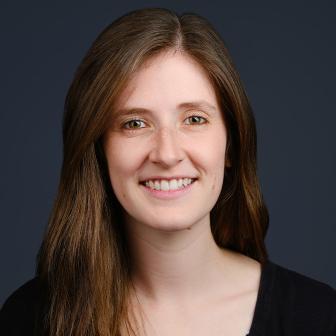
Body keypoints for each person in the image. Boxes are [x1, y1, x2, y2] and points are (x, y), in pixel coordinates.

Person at [0, 7, 335, 336]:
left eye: (194, 119)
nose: (167, 153)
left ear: (230, 144)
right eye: (134, 123)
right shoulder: (31, 319)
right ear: (99, 149)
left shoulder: (318, 318)